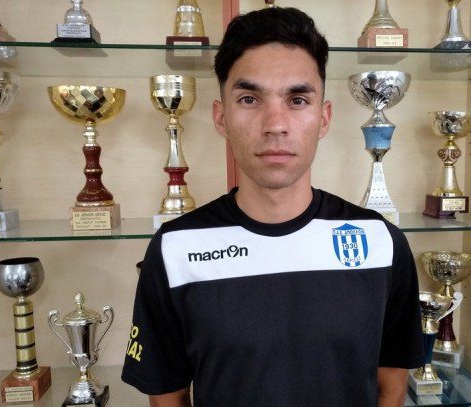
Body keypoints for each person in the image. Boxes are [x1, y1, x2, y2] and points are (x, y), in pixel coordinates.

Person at [121, 7, 424, 407]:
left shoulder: (381, 242)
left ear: (324, 118)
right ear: (221, 117)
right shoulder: (174, 248)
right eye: (249, 98)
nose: (275, 124)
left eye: (297, 99)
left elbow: (391, 386)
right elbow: (167, 396)